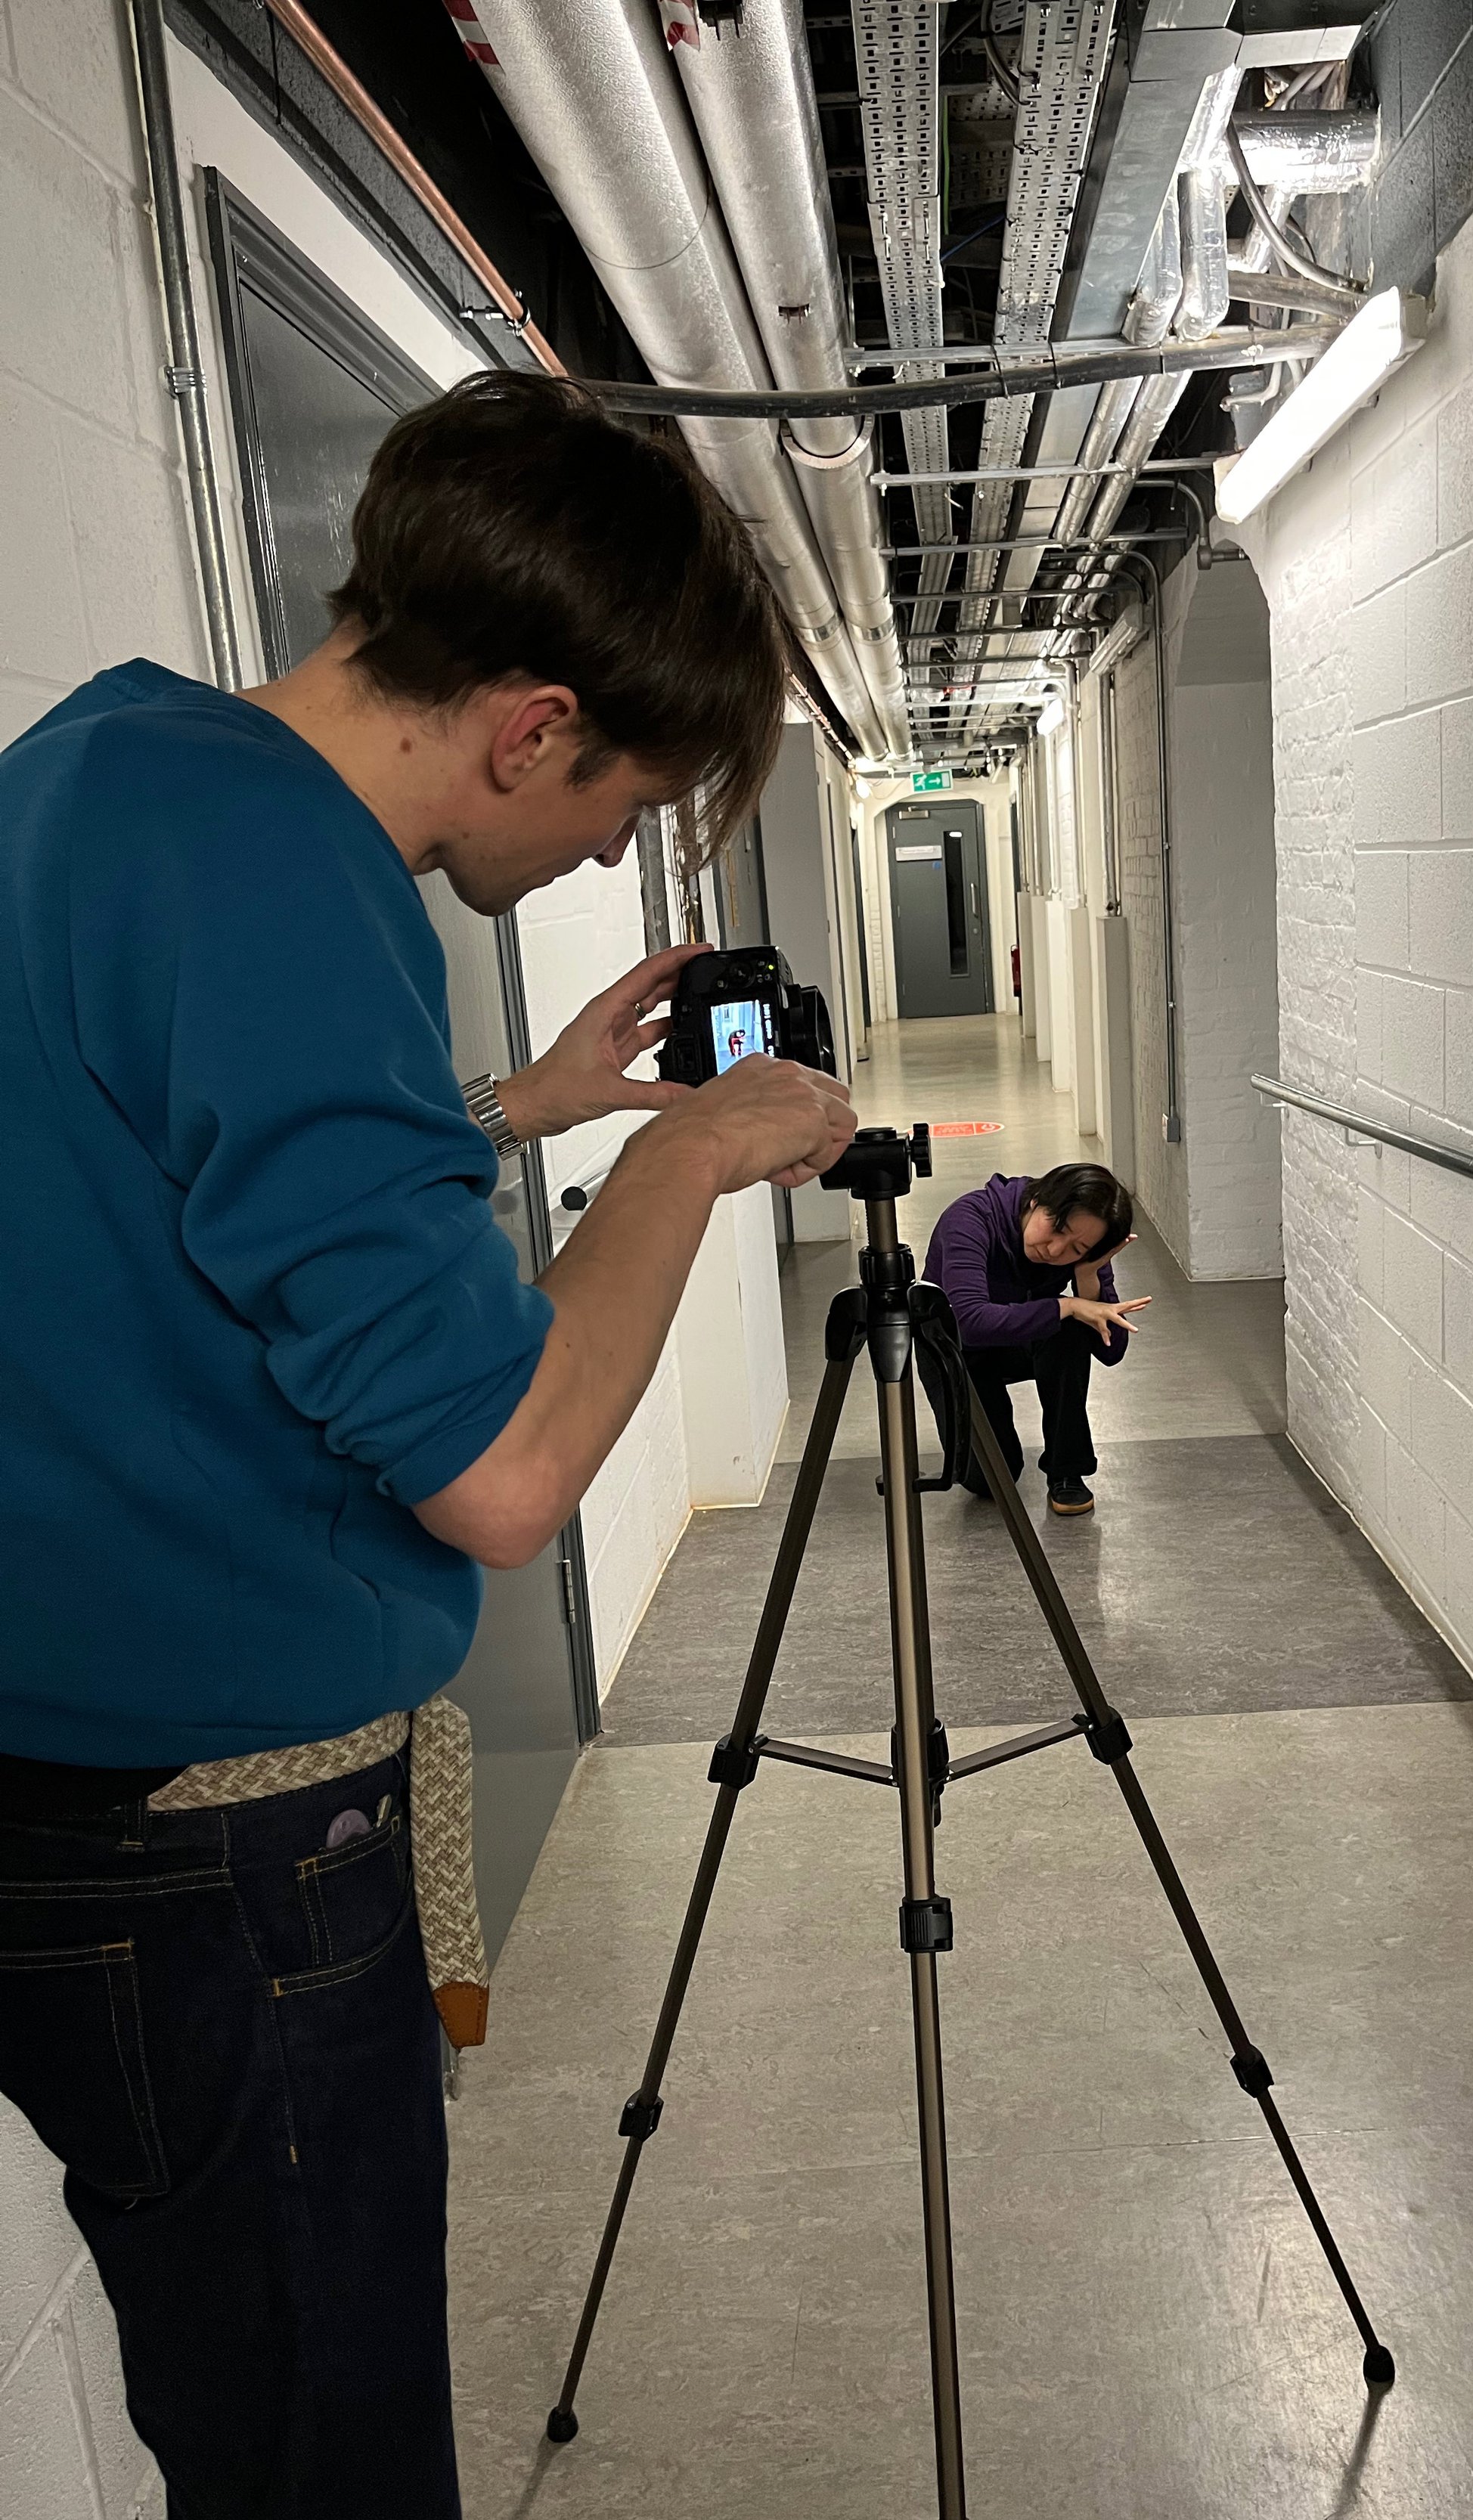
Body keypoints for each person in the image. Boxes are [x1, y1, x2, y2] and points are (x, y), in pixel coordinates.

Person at [0, 372, 854, 2518]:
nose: (606, 851)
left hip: (73, 1793)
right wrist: (690, 1157)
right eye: (622, 800)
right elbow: (503, 1471)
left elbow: (145, 1178)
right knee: (328, 2456)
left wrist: (514, 1112)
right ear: (531, 726)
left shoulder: (102, 764)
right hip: (219, 1850)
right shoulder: (295, 879)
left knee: (246, 2414)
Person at [919, 1163, 1148, 1515]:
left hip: (1018, 1340)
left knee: (1071, 1332)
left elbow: (1112, 1350)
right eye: (1057, 1228)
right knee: (990, 1480)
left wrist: (1088, 1277)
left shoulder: (1085, 1249)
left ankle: (1067, 1470)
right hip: (955, 1349)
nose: (1056, 1250)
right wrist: (1067, 1305)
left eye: (1077, 1248)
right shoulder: (970, 1219)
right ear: (1036, 1200)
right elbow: (969, 1322)